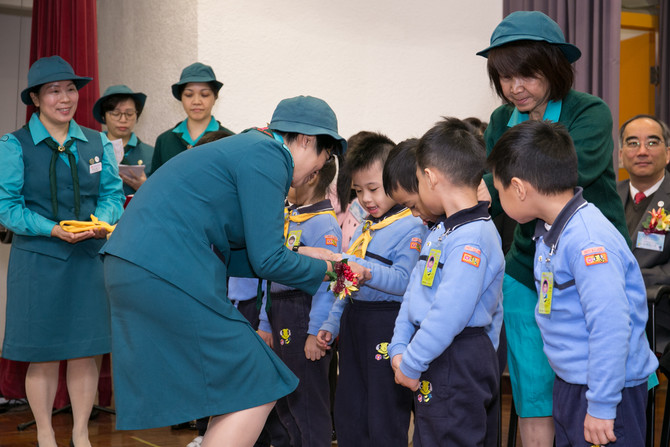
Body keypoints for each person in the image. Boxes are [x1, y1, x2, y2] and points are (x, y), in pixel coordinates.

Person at [101, 95, 370, 447]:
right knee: (258, 379)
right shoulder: (270, 155)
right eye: (323, 157)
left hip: (142, 265)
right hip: (165, 269)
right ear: (306, 140)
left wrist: (308, 254)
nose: (316, 171)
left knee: (234, 382)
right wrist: (330, 270)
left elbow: (250, 254)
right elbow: (268, 261)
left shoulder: (248, 147)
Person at [476, 11, 629, 446]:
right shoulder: (499, 122)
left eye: (526, 74)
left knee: (594, 380)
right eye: (504, 77)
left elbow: (560, 176)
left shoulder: (589, 113)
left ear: (554, 67)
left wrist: (488, 189)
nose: (514, 87)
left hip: (585, 263)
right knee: (533, 391)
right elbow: (496, 192)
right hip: (528, 267)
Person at [487, 119, 658, 446]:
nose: (500, 199)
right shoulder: (551, 232)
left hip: (607, 391)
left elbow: (610, 326)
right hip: (572, 381)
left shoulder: (588, 241)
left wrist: (603, 405)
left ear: (519, 188)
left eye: (499, 190)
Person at [0, 55, 125, 447]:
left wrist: (97, 223)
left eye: (70, 89)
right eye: (54, 90)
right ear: (36, 98)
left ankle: (82, 434)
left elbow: (112, 196)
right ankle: (45, 434)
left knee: (86, 352)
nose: (65, 98)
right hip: (37, 261)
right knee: (44, 352)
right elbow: (8, 208)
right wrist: (52, 229)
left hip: (88, 258)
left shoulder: (97, 141)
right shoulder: (13, 145)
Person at [388, 118, 504, 447]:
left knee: (450, 437)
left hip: (459, 354)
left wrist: (410, 362)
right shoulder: (444, 230)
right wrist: (399, 344)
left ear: (430, 177)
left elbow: (449, 313)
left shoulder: (474, 238)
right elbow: (415, 289)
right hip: (436, 349)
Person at [316, 132, 425, 447]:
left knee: (384, 410)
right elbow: (347, 281)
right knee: (350, 406)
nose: (365, 199)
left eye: (374, 189)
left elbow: (405, 281)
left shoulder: (411, 225)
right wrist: (331, 322)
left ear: (394, 180)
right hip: (354, 322)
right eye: (358, 190)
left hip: (387, 323)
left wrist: (366, 271)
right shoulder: (366, 226)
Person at [257, 157, 341, 447]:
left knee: (307, 404)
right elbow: (272, 270)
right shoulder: (291, 215)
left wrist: (315, 331)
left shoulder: (324, 224)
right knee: (287, 401)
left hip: (303, 313)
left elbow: (329, 282)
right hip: (281, 312)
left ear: (313, 175)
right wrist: (266, 322)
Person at [150, 62, 234, 174]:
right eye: (189, 95)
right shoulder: (165, 140)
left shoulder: (230, 140)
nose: (196, 102)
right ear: (181, 98)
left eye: (204, 95)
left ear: (215, 97)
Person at [617, 114, 670, 286]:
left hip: (658, 306)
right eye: (633, 143)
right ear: (620, 155)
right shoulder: (607, 197)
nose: (642, 152)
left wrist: (630, 278)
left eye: (652, 143)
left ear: (667, 153)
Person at [92, 84, 154, 194]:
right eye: (116, 113)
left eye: (129, 114)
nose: (123, 119)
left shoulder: (151, 154)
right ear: (103, 116)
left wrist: (145, 187)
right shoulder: (91, 150)